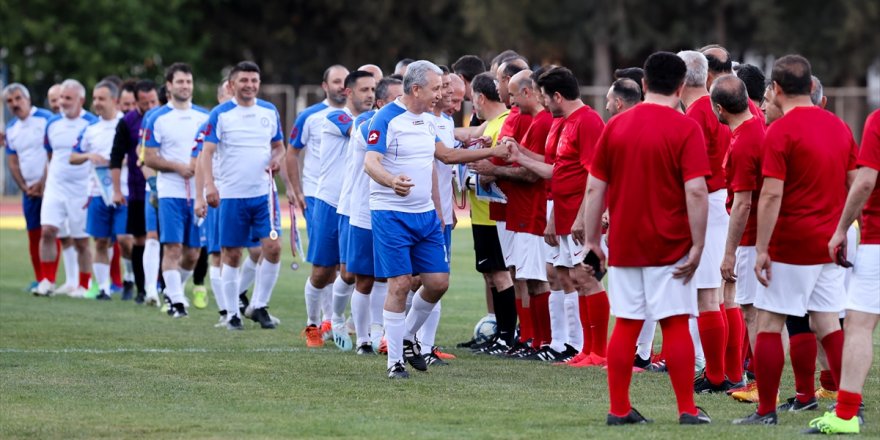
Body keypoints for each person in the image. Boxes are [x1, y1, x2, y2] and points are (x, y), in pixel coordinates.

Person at [583, 51, 711, 425]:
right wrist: (700, 244)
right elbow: (697, 192)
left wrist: (593, 241)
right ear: (682, 86)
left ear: (643, 84)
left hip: (625, 243)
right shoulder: (686, 128)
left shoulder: (617, 125)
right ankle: (687, 409)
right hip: (670, 244)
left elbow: (594, 189)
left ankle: (619, 409)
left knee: (626, 323)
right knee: (673, 323)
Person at [733, 55, 856, 426]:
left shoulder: (780, 132)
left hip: (792, 242)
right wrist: (844, 231)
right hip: (828, 241)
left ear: (777, 89)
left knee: (769, 322)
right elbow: (853, 184)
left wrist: (763, 248)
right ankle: (850, 403)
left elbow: (770, 195)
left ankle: (766, 410)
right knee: (828, 323)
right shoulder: (838, 127)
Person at [364, 60, 508, 378]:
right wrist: (391, 181)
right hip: (391, 214)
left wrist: (492, 152)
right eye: (436, 88)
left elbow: (446, 155)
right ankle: (396, 362)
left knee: (438, 283)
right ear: (416, 89)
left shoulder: (428, 121)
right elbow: (370, 162)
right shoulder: (385, 118)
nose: (441, 93)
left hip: (425, 214)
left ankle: (404, 336)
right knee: (400, 284)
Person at [805, 109, 880, 435]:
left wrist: (840, 229)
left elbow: (864, 181)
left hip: (879, 241)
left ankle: (846, 415)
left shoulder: (878, 119)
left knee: (859, 325)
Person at [200, 61, 285, 331]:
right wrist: (210, 187)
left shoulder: (269, 111)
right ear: (232, 85)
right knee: (232, 254)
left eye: (254, 81)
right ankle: (232, 314)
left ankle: (259, 305)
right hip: (232, 197)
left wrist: (276, 159)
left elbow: (279, 147)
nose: (249, 85)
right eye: (244, 80)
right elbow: (207, 153)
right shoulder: (221, 113)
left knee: (272, 248)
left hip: (263, 197)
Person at [678, 50, 733, 393]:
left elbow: (689, 169)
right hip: (719, 200)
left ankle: (716, 373)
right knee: (723, 296)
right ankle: (725, 369)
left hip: (707, 202)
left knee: (709, 297)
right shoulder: (714, 106)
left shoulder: (697, 113)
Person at [312, 70, 376, 349]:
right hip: (329, 201)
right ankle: (313, 325)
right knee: (322, 271)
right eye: (364, 90)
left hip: (355, 205)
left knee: (350, 272)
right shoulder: (336, 117)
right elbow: (360, 131)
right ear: (349, 92)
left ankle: (344, 322)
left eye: (373, 89)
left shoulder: (374, 119)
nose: (370, 95)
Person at [142, 63, 210, 317]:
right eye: (180, 82)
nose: (185, 86)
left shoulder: (204, 117)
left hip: (198, 193)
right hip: (170, 192)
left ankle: (173, 291)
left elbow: (212, 152)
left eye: (188, 82)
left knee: (192, 254)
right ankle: (178, 303)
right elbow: (148, 158)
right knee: (173, 248)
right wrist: (177, 167)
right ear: (169, 86)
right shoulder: (156, 118)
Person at [711, 74, 765, 394]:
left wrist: (729, 252)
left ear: (720, 109)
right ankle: (760, 380)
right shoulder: (751, 128)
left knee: (753, 311)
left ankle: (760, 382)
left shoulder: (745, 140)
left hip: (752, 237)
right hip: (757, 234)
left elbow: (743, 204)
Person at [288, 65, 349, 340]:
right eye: (336, 81)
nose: (340, 86)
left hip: (350, 198)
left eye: (344, 81)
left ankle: (331, 321)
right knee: (325, 266)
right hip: (318, 195)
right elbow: (291, 153)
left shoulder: (360, 117)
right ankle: (318, 322)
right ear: (325, 86)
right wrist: (295, 189)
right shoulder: (310, 116)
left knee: (344, 268)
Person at [345, 76, 404, 354]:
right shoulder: (365, 123)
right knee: (365, 279)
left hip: (391, 210)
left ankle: (380, 334)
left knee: (386, 277)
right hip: (364, 211)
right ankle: (362, 340)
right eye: (396, 99)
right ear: (381, 103)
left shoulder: (408, 123)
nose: (402, 104)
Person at [37, 79, 98, 297]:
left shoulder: (91, 123)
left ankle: (84, 284)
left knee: (81, 241)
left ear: (81, 100)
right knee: (48, 231)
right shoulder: (52, 123)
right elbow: (51, 155)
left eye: (68, 98)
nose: (62, 102)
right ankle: (47, 280)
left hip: (81, 189)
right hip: (56, 187)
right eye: (61, 97)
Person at [69, 80, 127, 300]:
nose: (97, 103)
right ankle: (103, 288)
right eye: (94, 98)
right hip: (97, 192)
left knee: (124, 240)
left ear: (114, 100)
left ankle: (130, 280)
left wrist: (120, 160)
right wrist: (88, 156)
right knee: (101, 240)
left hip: (124, 190)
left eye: (101, 98)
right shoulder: (90, 128)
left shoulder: (126, 124)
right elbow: (72, 156)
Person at [110, 80, 160, 303]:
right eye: (144, 102)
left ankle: (166, 287)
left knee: (167, 241)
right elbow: (116, 156)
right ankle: (143, 289)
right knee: (139, 240)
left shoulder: (165, 117)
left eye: (153, 101)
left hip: (168, 189)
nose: (150, 106)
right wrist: (117, 190)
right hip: (139, 191)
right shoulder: (127, 123)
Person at [3, 84, 54, 292]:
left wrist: (43, 182)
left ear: (27, 98)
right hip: (29, 191)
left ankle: (54, 279)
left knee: (52, 233)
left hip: (50, 186)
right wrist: (24, 187)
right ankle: (40, 277)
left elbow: (52, 154)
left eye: (17, 99)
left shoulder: (46, 118)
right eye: (9, 101)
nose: (15, 104)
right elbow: (12, 161)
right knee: (34, 234)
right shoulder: (11, 128)